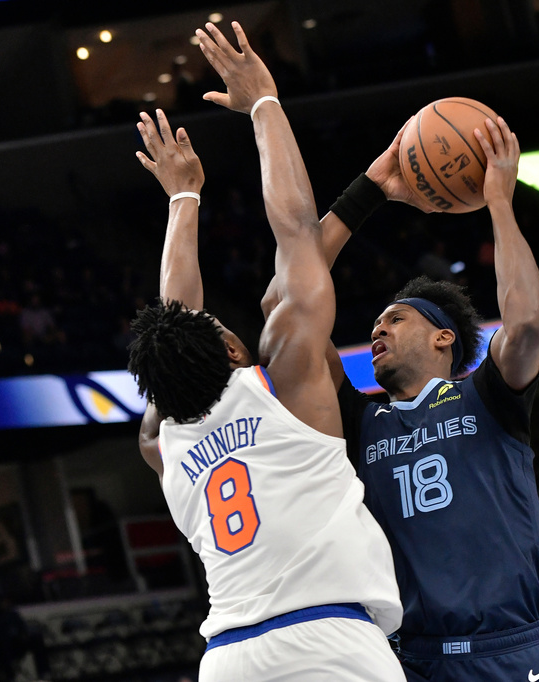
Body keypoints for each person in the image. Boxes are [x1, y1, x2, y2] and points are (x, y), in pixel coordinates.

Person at [126, 21, 403, 681]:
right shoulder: (285, 386)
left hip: (228, 659)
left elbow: (176, 322)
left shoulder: (162, 441)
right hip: (327, 640)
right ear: (228, 349)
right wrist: (265, 106)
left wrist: (185, 200)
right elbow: (294, 230)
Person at [315, 109, 539, 680]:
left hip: (509, 649)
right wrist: (368, 192)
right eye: (376, 323)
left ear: (443, 337)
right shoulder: (360, 418)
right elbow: (285, 306)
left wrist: (498, 200)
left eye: (395, 319)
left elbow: (526, 325)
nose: (378, 329)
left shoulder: (490, 395)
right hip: (410, 660)